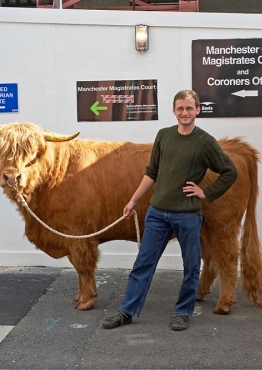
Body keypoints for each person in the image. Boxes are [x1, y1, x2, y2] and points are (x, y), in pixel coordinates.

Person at [101, 89, 238, 331]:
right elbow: (152, 171)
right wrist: (133, 201)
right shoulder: (163, 136)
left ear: (198, 110)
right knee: (143, 264)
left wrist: (206, 193)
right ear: (174, 111)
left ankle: (182, 313)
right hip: (157, 214)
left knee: (191, 266)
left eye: (189, 108)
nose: (185, 113)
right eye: (180, 108)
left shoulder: (205, 141)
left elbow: (229, 171)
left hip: (187, 215)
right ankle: (127, 311)